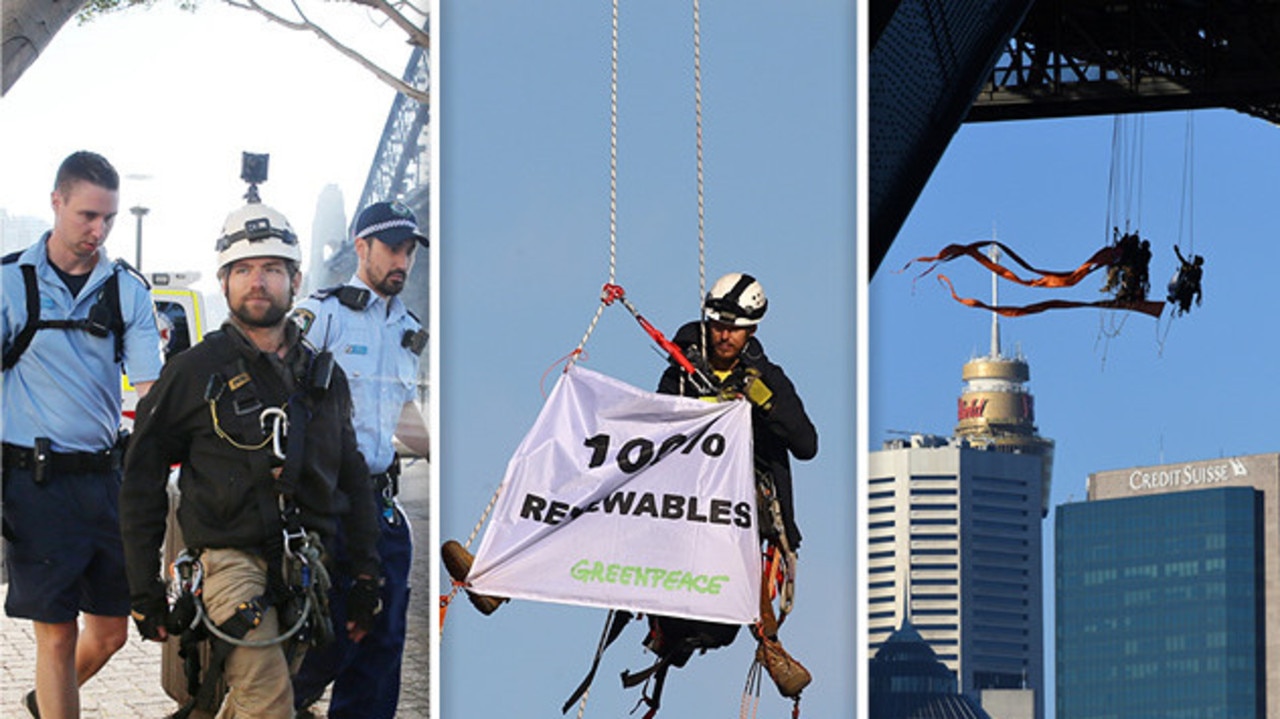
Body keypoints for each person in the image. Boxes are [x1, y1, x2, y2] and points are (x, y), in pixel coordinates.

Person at [118, 192, 383, 719]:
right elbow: (142, 478)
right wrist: (144, 589)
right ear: (224, 283)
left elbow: (352, 475)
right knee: (269, 704)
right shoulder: (193, 372)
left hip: (306, 566)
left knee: (256, 700)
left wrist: (368, 578)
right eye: (242, 269)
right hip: (228, 563)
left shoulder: (323, 380)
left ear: (295, 281)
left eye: (270, 269)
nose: (256, 281)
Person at [1, 150, 164, 718]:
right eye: (87, 216)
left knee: (113, 633)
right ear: (56, 202)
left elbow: (151, 394)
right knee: (58, 635)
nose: (98, 230)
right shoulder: (9, 283)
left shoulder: (127, 292)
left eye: (109, 219)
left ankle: (45, 702)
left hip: (105, 484)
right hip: (34, 483)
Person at [290, 200, 431, 718]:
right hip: (325, 503)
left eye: (410, 250)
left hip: (380, 503)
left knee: (383, 638)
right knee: (325, 638)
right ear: (361, 247)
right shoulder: (322, 315)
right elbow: (287, 399)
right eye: (393, 248)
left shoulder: (405, 328)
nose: (403, 260)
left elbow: (401, 413)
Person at [649, 272, 818, 703]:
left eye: (735, 329)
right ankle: (502, 578)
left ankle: (770, 644)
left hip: (747, 501)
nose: (725, 336)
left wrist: (760, 398)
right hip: (685, 497)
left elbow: (805, 443)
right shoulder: (682, 375)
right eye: (719, 325)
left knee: (738, 562)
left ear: (752, 330)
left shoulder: (769, 378)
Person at [1167, 244, 1204, 316]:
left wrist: (1199, 294)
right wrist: (1177, 252)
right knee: (1181, 285)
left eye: (1196, 261)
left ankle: (1182, 303)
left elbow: (1198, 281)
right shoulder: (1189, 266)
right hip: (1186, 284)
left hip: (1191, 286)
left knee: (1187, 289)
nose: (1194, 262)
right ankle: (1174, 298)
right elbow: (1181, 259)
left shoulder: (1199, 271)